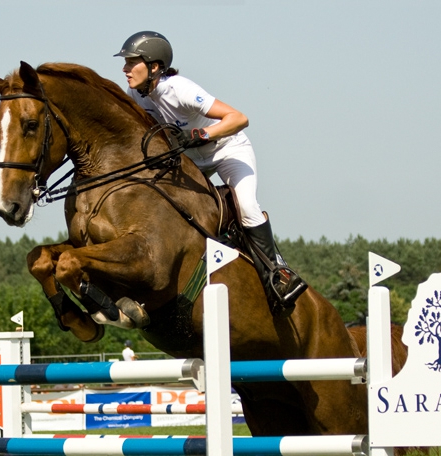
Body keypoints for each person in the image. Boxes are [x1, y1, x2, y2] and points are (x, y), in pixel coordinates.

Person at [114, 31, 308, 311]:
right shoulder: (135, 95)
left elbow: (239, 118)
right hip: (191, 160)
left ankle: (277, 272)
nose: (125, 69)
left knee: (247, 207)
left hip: (228, 150)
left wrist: (201, 134)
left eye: (132, 62)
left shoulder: (178, 88)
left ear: (154, 66)